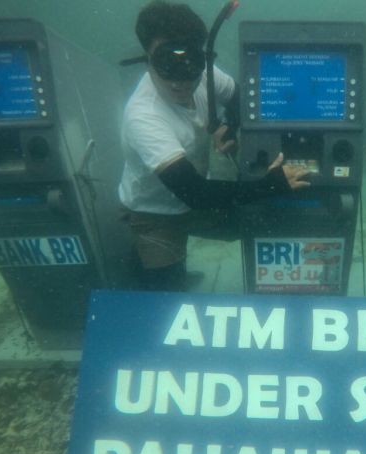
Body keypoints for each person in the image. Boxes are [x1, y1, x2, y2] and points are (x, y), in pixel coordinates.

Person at [119, 1, 310, 291]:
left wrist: (229, 127)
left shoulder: (205, 74)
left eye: (190, 65)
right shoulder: (143, 116)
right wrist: (271, 184)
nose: (180, 81)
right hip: (155, 212)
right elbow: (194, 193)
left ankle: (163, 266)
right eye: (166, 65)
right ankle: (145, 265)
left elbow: (239, 100)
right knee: (165, 292)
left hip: (195, 194)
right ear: (147, 57)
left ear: (201, 57)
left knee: (253, 219)